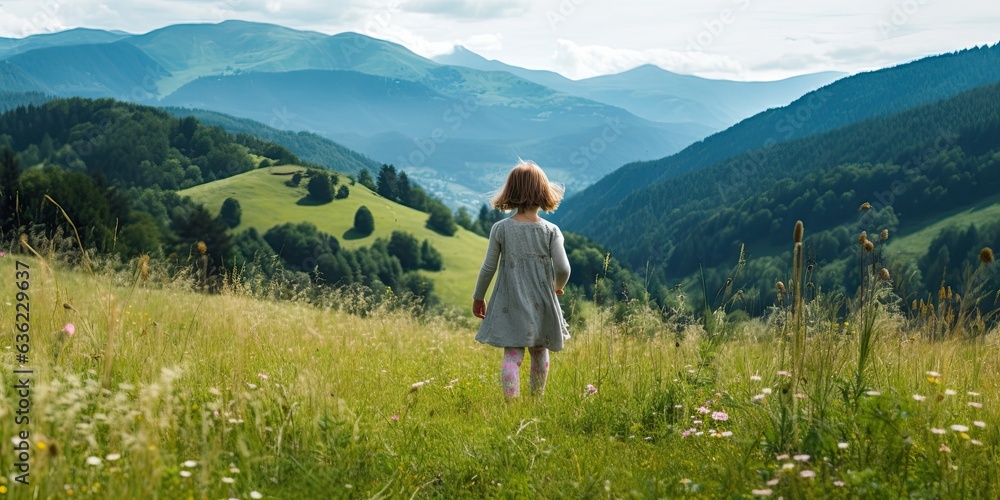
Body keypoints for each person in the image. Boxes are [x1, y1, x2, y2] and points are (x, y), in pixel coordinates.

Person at [472, 160, 571, 398]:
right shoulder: (551, 230)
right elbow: (564, 268)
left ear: (511, 193)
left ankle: (512, 407)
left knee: (512, 357)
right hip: (542, 301)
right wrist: (557, 287)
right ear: (543, 192)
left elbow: (488, 268)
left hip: (510, 302)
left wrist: (478, 297)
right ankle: (536, 401)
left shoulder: (501, 229)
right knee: (539, 352)